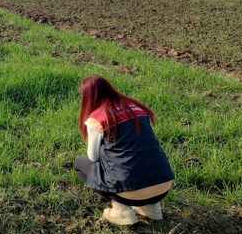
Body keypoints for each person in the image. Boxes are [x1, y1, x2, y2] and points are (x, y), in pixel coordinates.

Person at [73, 75, 174, 226]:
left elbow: (93, 157)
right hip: (164, 184)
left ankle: (121, 210)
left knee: (80, 163)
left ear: (88, 96)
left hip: (129, 191)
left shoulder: (97, 119)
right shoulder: (136, 108)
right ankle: (152, 208)